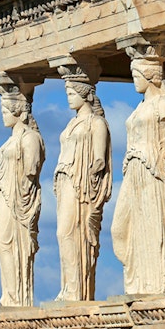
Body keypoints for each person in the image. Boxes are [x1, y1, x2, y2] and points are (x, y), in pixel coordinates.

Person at [111, 56, 165, 295]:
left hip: (153, 172)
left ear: (150, 76)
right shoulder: (141, 106)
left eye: (137, 75)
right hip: (133, 171)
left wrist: (161, 164)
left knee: (153, 225)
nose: (134, 80)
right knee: (120, 229)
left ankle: (155, 284)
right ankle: (138, 281)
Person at [54, 79, 111, 302]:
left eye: (72, 92)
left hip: (81, 186)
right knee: (63, 234)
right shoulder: (71, 124)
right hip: (65, 182)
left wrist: (89, 172)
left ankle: (76, 291)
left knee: (70, 233)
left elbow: (100, 159)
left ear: (84, 94)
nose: (68, 97)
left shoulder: (96, 123)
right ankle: (68, 287)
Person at [0, 86, 46, 306]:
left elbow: (31, 169)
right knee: (2, 244)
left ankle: (18, 297)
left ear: (19, 111)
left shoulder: (30, 137)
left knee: (12, 244)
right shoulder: (11, 140)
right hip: (4, 196)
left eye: (7, 109)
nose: (3, 114)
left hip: (18, 199)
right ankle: (9, 294)